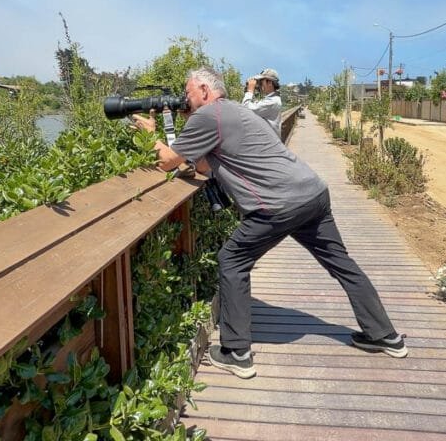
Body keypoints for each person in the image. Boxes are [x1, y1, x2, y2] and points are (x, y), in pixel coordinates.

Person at [133, 67, 406, 379]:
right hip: (312, 193)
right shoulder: (233, 110)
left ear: (205, 91)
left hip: (277, 205)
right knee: (341, 263)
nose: (185, 99)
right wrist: (184, 128)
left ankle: (236, 352)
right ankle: (385, 335)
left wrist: (148, 134)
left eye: (188, 92)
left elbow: (169, 161)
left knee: (232, 259)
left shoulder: (209, 116)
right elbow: (206, 163)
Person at [242, 68, 282, 135]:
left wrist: (250, 91)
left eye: (261, 82)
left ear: (269, 82)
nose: (260, 85)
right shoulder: (271, 99)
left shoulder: (272, 101)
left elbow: (245, 109)